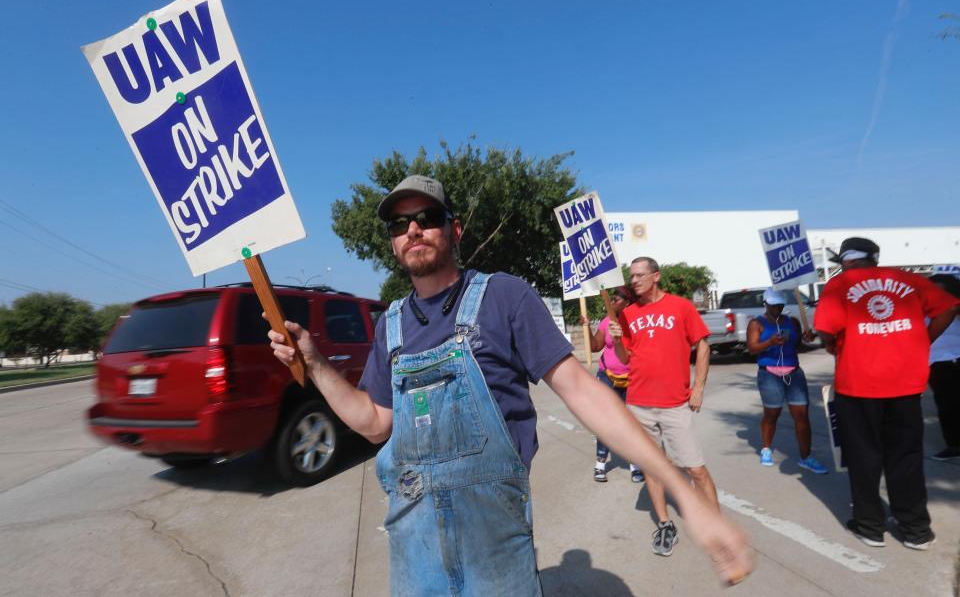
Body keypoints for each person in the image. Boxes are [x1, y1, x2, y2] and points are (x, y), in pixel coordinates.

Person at [268, 176, 753, 594]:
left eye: (427, 216)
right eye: (399, 224)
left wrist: (685, 494)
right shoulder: (390, 324)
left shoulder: (505, 297)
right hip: (413, 562)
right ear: (393, 242)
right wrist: (314, 363)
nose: (412, 229)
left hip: (496, 556)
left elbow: (586, 395)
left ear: (454, 229)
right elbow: (374, 425)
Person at [813, 237, 958, 550]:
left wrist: (830, 341)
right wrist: (923, 340)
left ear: (844, 260)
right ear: (874, 258)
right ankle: (916, 530)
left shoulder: (839, 285)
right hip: (905, 384)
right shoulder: (907, 279)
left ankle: (870, 527)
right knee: (905, 456)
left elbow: (826, 329)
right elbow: (950, 307)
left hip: (858, 385)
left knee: (864, 457)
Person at [611, 256, 718, 558]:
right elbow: (625, 357)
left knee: (695, 468)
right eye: (631, 276)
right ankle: (664, 523)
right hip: (639, 403)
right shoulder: (628, 314)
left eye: (639, 275)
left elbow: (703, 345)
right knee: (653, 466)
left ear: (656, 276)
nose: (634, 281)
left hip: (674, 404)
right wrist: (618, 339)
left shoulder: (681, 306)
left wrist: (698, 387)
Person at [746, 287, 828, 474]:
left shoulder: (792, 321)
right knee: (772, 414)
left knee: (801, 416)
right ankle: (766, 448)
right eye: (774, 306)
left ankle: (806, 457)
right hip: (769, 374)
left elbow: (798, 344)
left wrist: (809, 338)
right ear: (765, 304)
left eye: (780, 305)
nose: (777, 309)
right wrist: (769, 343)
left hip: (793, 371)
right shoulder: (756, 323)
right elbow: (752, 348)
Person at [582, 286, 644, 483]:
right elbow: (595, 347)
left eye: (617, 299)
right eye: (612, 299)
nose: (612, 302)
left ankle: (635, 465)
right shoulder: (606, 322)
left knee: (632, 423)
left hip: (632, 379)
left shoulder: (636, 323)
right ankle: (600, 465)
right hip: (607, 377)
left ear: (628, 302)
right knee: (606, 421)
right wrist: (587, 327)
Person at [926, 274, 960, 461]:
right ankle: (954, 445)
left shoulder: (954, 307)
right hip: (937, 362)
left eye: (941, 290)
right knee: (946, 405)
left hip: (958, 356)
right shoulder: (922, 309)